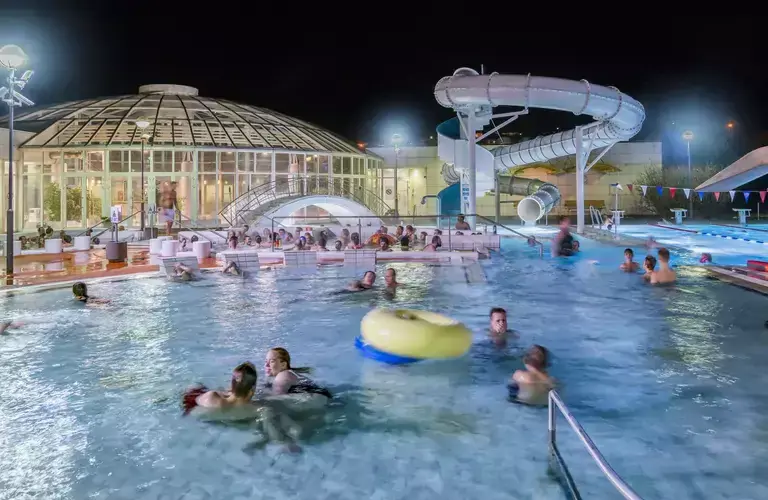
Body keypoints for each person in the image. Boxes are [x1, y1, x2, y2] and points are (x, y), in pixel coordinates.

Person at [264, 347, 332, 401]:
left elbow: (275, 400)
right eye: (266, 361)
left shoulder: (283, 375)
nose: (266, 365)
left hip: (318, 399)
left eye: (271, 361)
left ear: (283, 364)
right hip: (321, 396)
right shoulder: (289, 373)